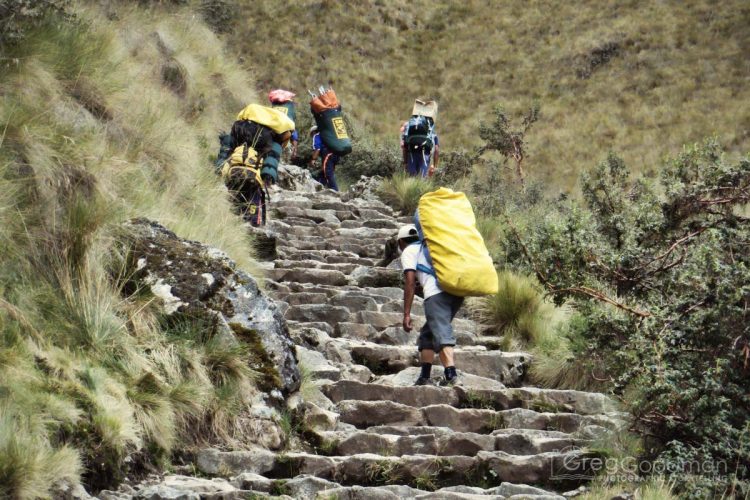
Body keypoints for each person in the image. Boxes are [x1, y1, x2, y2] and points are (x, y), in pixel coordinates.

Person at [398, 224, 462, 386]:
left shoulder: (408, 251)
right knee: (428, 333)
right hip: (456, 292)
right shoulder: (430, 247)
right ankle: (425, 377)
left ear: (401, 243)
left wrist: (406, 314)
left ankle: (452, 376)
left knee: (441, 331)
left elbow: (410, 282)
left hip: (436, 293)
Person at [309, 125, 339, 191]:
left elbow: (318, 149)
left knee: (328, 173)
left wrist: (313, 159)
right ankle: (319, 187)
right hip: (336, 154)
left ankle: (335, 191)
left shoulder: (316, 135)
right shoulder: (326, 135)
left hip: (328, 154)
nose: (312, 136)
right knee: (324, 172)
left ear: (313, 132)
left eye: (311, 134)